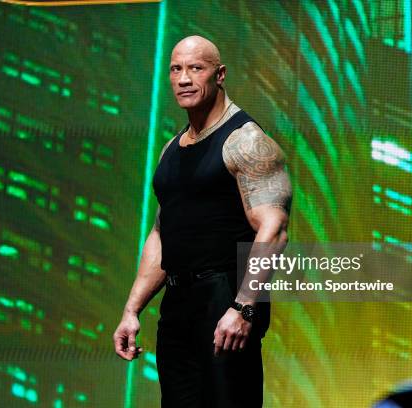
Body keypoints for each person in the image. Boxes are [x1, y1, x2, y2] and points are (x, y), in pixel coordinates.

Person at [113, 35, 292, 407]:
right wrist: (132, 310)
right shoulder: (172, 149)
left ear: (220, 74)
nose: (184, 79)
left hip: (224, 297)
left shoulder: (246, 141)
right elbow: (164, 233)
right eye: (176, 69)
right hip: (178, 305)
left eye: (196, 68)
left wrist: (243, 308)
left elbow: (274, 231)